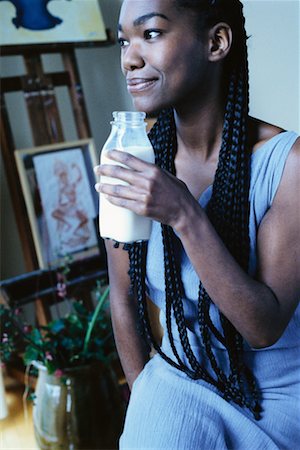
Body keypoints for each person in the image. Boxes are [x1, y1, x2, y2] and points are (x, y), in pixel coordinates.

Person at [95, 0, 300, 448]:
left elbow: (262, 328)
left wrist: (184, 213)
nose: (129, 57)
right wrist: (143, 395)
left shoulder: (289, 166)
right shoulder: (133, 162)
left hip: (280, 400)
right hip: (180, 378)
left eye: (150, 34)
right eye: (124, 40)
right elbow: (123, 296)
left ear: (216, 42)